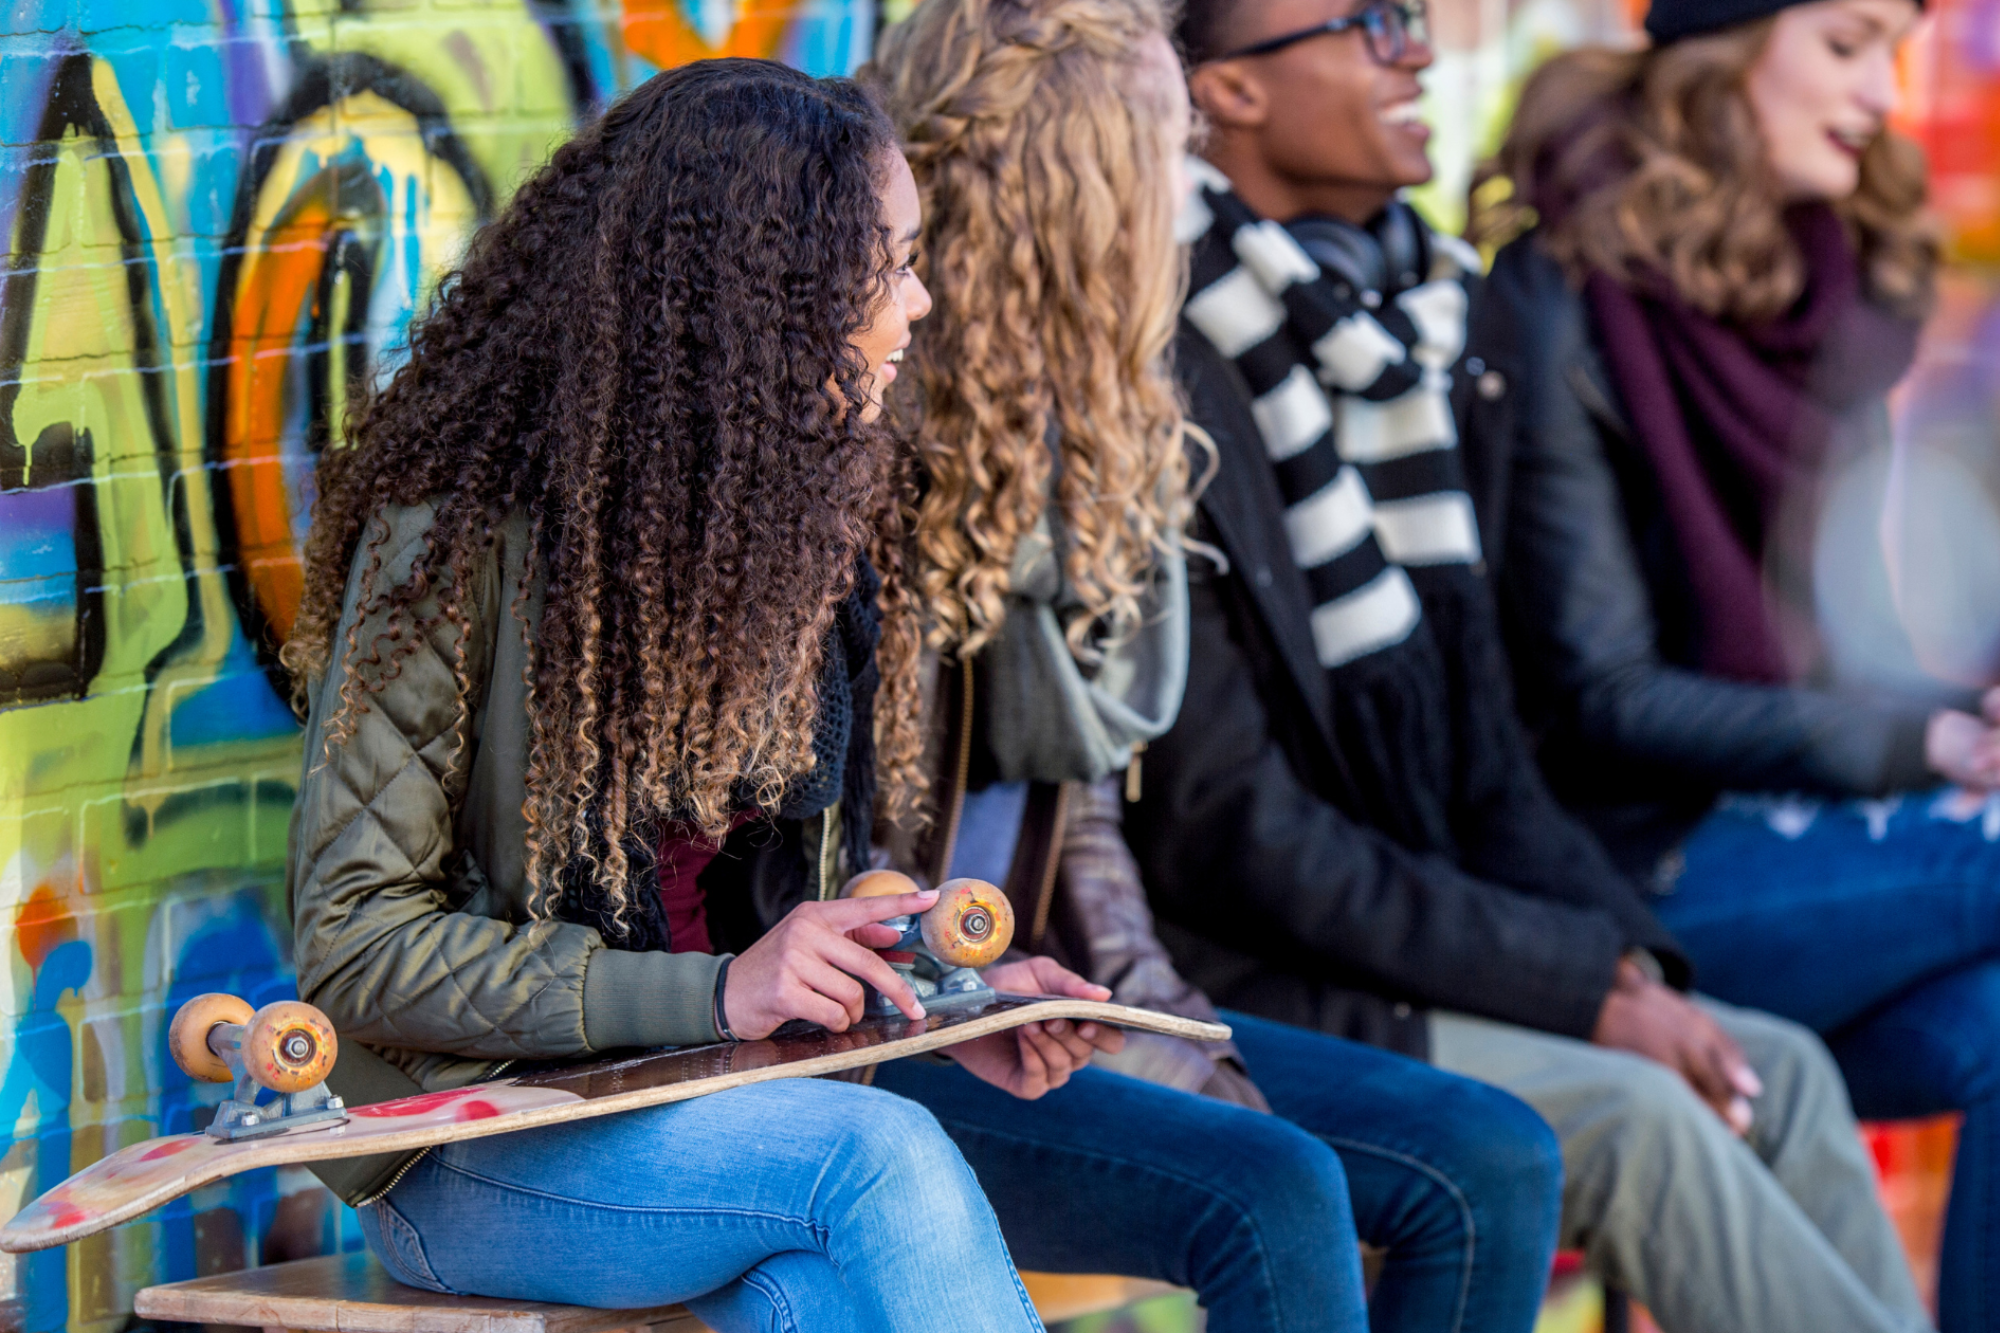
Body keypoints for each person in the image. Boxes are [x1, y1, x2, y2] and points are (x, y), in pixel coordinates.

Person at [1126, 1, 1936, 1330]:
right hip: (1255, 973)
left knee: (1772, 1068)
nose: (1421, 53)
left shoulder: (1413, 327)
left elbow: (1485, 749)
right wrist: (1578, 987)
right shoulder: (1174, 369)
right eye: (1372, 24)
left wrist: (1617, 971)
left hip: (1431, 918)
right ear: (1230, 94)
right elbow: (1237, 833)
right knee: (1638, 1114)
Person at [281, 59, 1093, 1333]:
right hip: (472, 1142)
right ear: (754, 300)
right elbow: (356, 947)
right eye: (890, 267)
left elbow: (777, 911)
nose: (919, 305)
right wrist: (715, 996)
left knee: (810, 1301)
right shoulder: (450, 543)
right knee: (877, 1157)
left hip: (711, 1103)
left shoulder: (797, 528)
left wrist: (933, 982)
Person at [865, 1, 1566, 1329]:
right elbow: (827, 856)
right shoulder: (884, 445)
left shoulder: (1095, 426)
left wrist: (1161, 1015)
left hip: (1054, 989)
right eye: (1163, 153)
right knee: (1277, 1185)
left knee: (1492, 1158)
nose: (1185, 198)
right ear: (1081, 186)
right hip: (912, 1022)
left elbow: (1081, 823)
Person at [1462, 0, 1999, 1326]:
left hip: (1797, 840)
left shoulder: (1829, 293)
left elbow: (1850, 652)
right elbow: (1606, 696)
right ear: (1722, 55)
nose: (1884, 91)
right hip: (1621, 871)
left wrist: (1964, 714)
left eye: (1898, 49)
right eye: (1848, 42)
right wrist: (1925, 747)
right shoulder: (1556, 301)